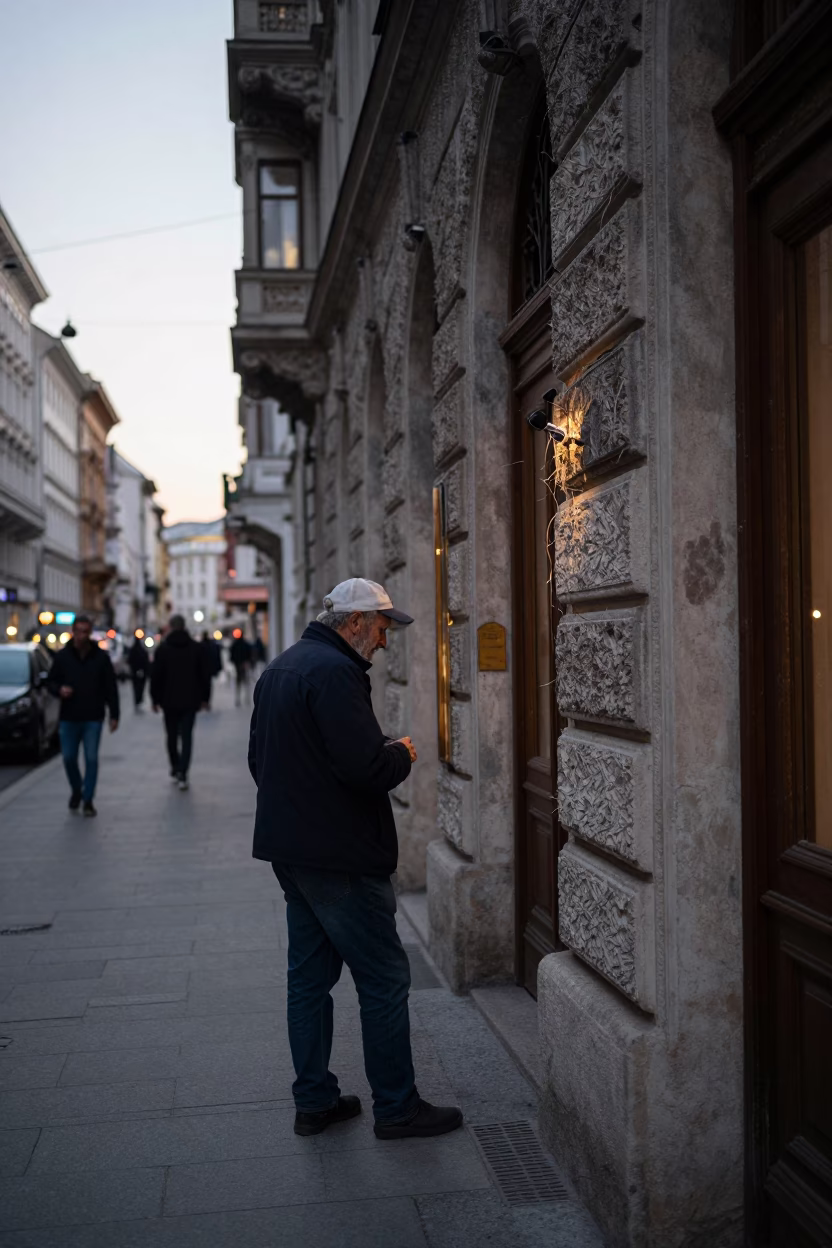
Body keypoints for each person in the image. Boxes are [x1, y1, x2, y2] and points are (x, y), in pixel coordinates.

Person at [248, 577, 463, 1140]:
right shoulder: (337, 673)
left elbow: (261, 761)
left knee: (308, 979)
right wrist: (400, 754)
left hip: (291, 851)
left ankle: (314, 1101)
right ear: (356, 623)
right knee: (386, 977)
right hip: (339, 855)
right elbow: (364, 769)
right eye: (383, 627)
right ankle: (396, 1107)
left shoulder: (282, 669)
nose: (386, 641)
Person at [47, 614, 119, 817]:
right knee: (69, 758)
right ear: (73, 632)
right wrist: (59, 689)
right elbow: (51, 682)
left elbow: (110, 687)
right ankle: (77, 788)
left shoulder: (100, 657)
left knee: (91, 759)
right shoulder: (62, 657)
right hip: (69, 716)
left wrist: (114, 714)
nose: (81, 636)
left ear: (90, 633)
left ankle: (88, 799)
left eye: (85, 632)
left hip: (93, 717)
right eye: (78, 631)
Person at [150, 615, 211, 791]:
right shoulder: (196, 648)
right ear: (184, 627)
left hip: (168, 701)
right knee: (186, 737)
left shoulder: (163, 649)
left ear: (170, 627)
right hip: (190, 700)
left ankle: (175, 767)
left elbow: (156, 676)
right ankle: (183, 772)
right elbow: (204, 676)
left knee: (170, 736)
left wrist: (155, 699)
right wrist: (205, 698)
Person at [127, 633, 150, 710]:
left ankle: (138, 700)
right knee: (140, 687)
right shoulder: (142, 650)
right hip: (140, 672)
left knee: (136, 687)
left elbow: (129, 660)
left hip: (135, 672)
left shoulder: (133, 650)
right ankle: (139, 700)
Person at [200, 631, 222, 708]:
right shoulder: (211, 645)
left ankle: (204, 701)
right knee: (207, 686)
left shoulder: (201, 646)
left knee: (204, 686)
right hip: (208, 669)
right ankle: (206, 702)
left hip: (203, 670)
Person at [230, 630, 251, 707]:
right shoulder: (244, 644)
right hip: (242, 665)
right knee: (244, 682)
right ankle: (245, 698)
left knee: (239, 683)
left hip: (239, 665)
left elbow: (232, 655)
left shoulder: (235, 644)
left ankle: (240, 698)